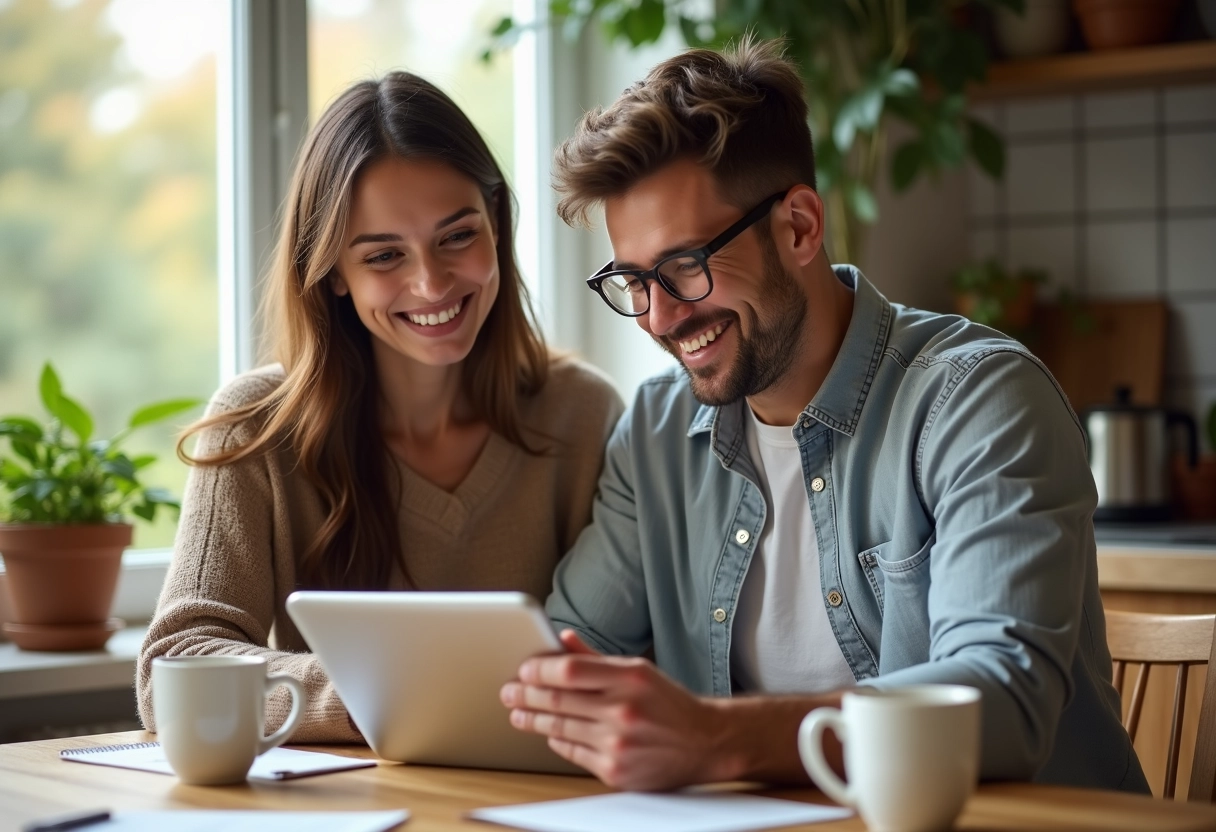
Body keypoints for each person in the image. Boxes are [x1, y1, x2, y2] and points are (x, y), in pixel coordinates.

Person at [499, 37, 1150, 794]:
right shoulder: (654, 433)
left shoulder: (978, 400)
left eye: (684, 267)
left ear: (801, 227)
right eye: (634, 280)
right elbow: (570, 657)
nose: (658, 318)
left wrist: (713, 737)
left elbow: (1002, 702)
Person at [136, 72, 623, 742]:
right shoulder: (258, 426)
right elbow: (175, 671)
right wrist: (392, 696)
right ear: (335, 269)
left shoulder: (581, 413)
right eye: (385, 255)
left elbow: (624, 655)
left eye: (457, 236)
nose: (431, 283)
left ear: (497, 224)